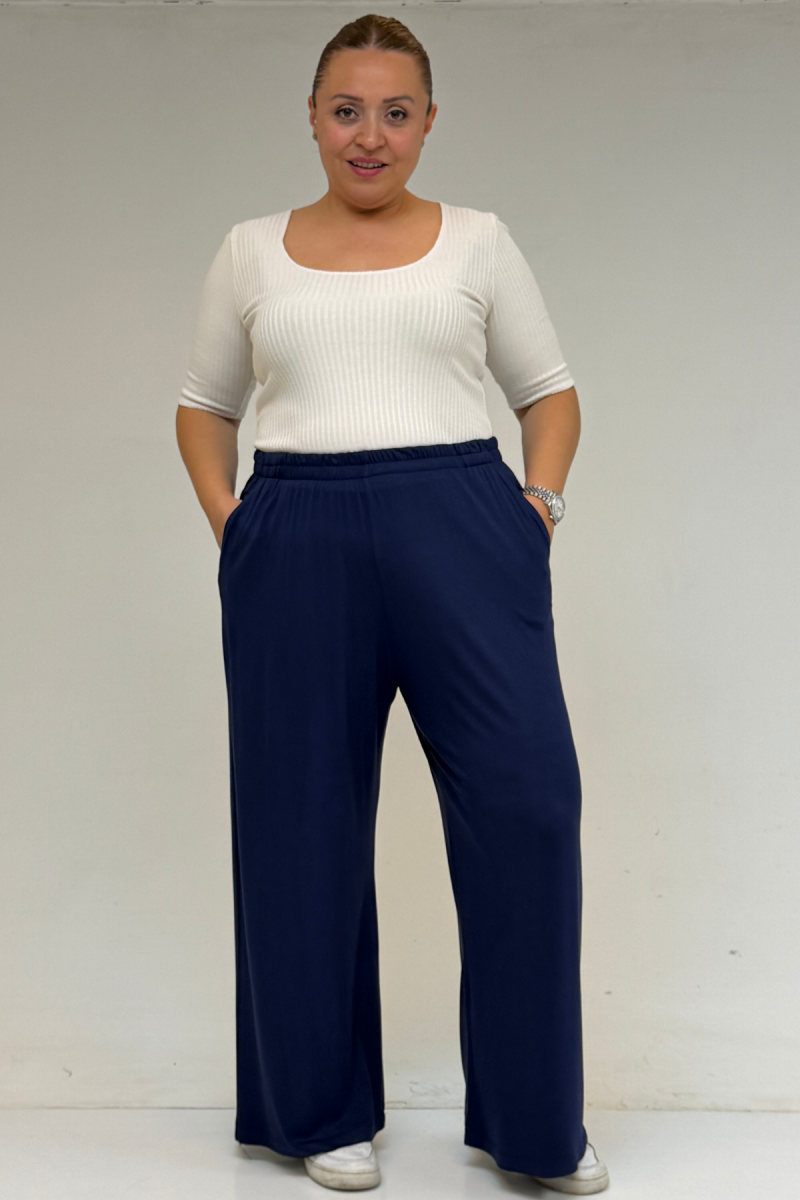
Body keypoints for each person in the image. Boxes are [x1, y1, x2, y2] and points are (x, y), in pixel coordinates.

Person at [175, 13, 609, 1195]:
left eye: (395, 111)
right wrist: (234, 524)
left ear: (426, 122)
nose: (369, 135)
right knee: (297, 822)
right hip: (294, 535)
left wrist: (535, 509)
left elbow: (548, 391)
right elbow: (205, 405)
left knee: (525, 807)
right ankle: (318, 1110)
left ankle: (535, 1124)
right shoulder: (249, 251)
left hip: (462, 522)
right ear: (313, 119)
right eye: (346, 110)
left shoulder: (477, 241)